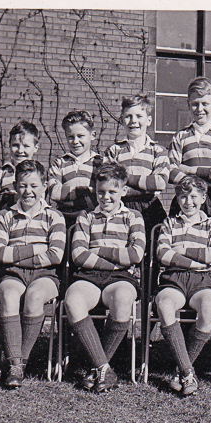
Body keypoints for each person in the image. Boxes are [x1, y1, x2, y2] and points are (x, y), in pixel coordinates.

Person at [64, 162, 145, 393]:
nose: (106, 197)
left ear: (124, 191)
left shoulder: (134, 217)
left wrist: (98, 250)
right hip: (89, 275)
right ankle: (103, 368)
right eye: (101, 192)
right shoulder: (86, 217)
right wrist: (116, 260)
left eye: (112, 191)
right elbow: (79, 255)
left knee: (123, 299)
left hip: (121, 278)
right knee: (73, 300)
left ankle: (97, 368)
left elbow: (135, 254)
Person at [0, 160, 66, 388]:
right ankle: (16, 365)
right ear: (15, 186)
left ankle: (15, 364)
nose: (28, 191)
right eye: (23, 186)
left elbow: (55, 256)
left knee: (35, 296)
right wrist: (35, 249)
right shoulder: (5, 216)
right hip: (12, 274)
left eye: (34, 186)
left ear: (44, 186)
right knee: (9, 295)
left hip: (45, 275)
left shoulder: (54, 216)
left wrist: (16, 254)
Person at [156, 176, 211, 397]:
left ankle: (181, 371)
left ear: (203, 198)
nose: (188, 202)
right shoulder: (169, 223)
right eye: (183, 197)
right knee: (165, 304)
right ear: (177, 199)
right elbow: (162, 254)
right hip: (174, 278)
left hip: (202, 280)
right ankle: (187, 371)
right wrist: (195, 261)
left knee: (209, 306)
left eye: (194, 196)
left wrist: (182, 249)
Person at [167, 77, 211, 232]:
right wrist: (194, 186)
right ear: (188, 104)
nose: (200, 108)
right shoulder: (181, 136)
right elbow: (170, 170)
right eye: (195, 104)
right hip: (186, 197)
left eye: (205, 103)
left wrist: (189, 170)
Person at [104, 94, 170, 245]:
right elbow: (109, 183)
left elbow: (159, 183)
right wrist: (145, 187)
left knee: (151, 248)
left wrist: (125, 178)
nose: (133, 121)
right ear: (122, 120)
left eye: (139, 116)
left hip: (149, 208)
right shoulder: (113, 151)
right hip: (120, 208)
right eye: (128, 116)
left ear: (149, 120)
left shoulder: (158, 151)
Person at [47, 110, 104, 228]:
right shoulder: (60, 163)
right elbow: (54, 193)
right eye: (70, 137)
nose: (75, 141)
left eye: (80, 136)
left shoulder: (100, 163)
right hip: (64, 219)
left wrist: (66, 190)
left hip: (92, 219)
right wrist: (87, 189)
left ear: (92, 135)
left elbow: (103, 191)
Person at [0, 120, 40, 217]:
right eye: (15, 145)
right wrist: (8, 198)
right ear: (9, 144)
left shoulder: (39, 174)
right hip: (5, 220)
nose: (20, 150)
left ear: (35, 148)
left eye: (26, 146)